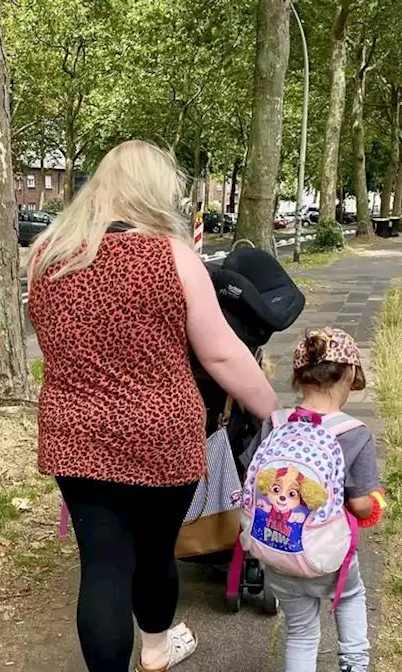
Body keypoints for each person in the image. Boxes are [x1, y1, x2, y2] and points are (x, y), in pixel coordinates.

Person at [27, 140, 281, 672]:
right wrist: (271, 409)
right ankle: (158, 650)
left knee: (103, 565)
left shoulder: (46, 255)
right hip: (161, 434)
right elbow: (220, 354)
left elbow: (52, 338)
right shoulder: (172, 257)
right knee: (156, 552)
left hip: (73, 433)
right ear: (156, 191)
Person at [257, 327, 385, 672]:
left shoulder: (275, 423)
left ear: (298, 377)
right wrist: (376, 506)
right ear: (351, 373)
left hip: (279, 549)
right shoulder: (354, 433)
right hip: (327, 556)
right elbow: (360, 505)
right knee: (351, 596)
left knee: (300, 632)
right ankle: (354, 666)